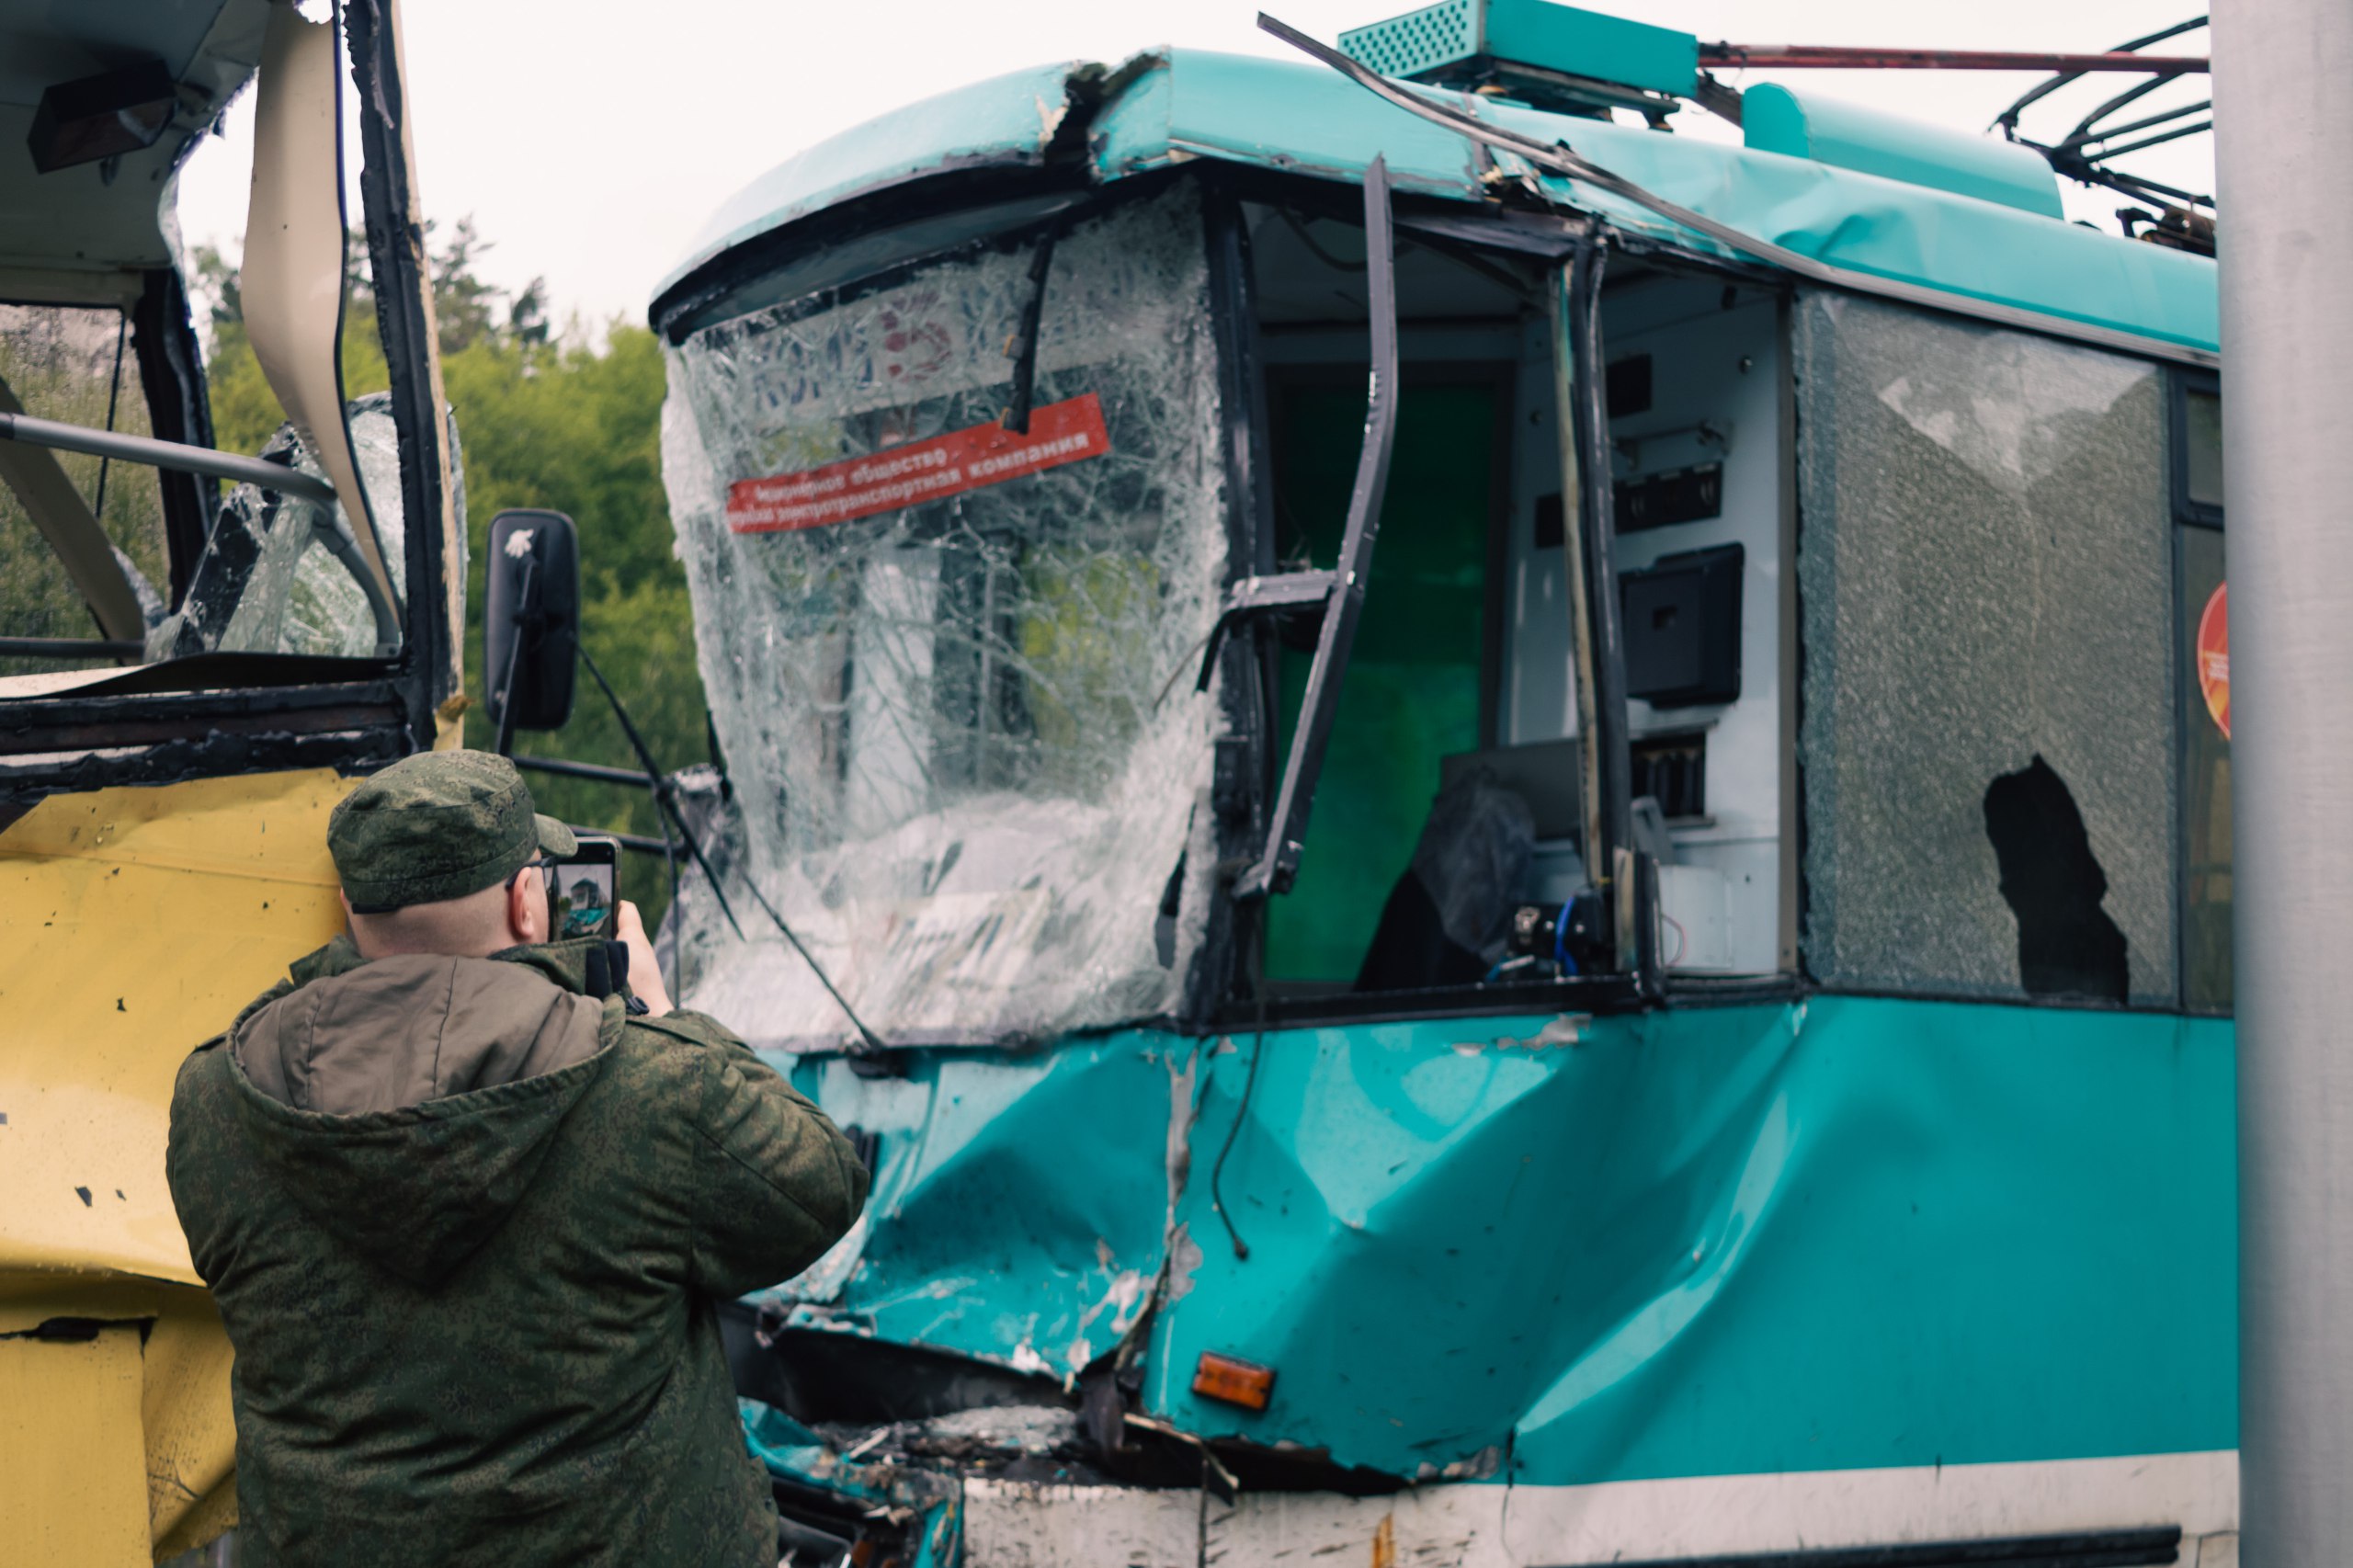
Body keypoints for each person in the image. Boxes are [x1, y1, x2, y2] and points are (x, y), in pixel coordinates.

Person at [167, 750, 867, 1566]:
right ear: (527, 902)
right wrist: (668, 1018)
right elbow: (823, 1185)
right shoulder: (652, 1087)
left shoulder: (218, 1101)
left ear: (353, 907)